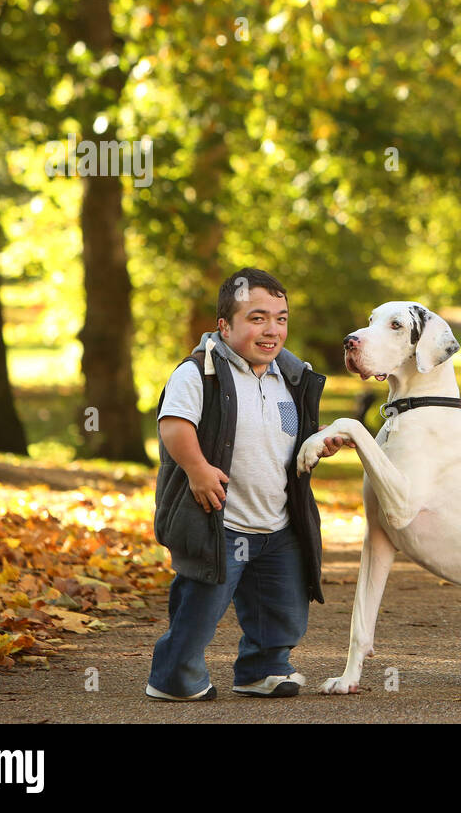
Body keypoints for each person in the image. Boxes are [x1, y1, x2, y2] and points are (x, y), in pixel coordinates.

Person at [146, 267, 347, 700]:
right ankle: (174, 677)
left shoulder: (289, 377)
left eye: (281, 318)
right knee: (201, 606)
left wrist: (319, 440)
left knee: (283, 606)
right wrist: (198, 469)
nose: (272, 330)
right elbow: (175, 425)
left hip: (278, 521)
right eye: (257, 318)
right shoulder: (201, 371)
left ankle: (263, 668)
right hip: (219, 519)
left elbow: (287, 436)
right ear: (225, 325)